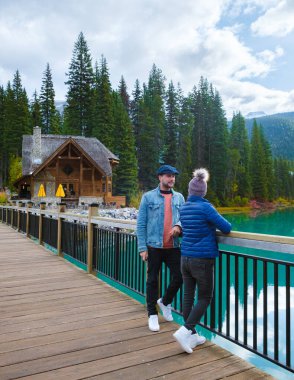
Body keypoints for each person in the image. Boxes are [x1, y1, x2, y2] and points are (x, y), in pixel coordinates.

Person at [173, 168, 232, 353]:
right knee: (205, 297)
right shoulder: (206, 207)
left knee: (188, 296)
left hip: (185, 257)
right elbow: (227, 227)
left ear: (190, 191)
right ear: (203, 191)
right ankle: (185, 331)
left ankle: (190, 334)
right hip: (202, 260)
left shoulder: (184, 207)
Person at [137, 165, 185, 332]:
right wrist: (142, 248)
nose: (171, 179)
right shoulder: (148, 197)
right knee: (152, 281)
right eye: (168, 176)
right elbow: (141, 223)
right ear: (160, 177)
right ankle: (152, 315)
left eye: (173, 176)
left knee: (180, 276)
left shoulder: (179, 197)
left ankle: (164, 301)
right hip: (154, 246)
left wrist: (178, 226)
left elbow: (183, 218)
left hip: (173, 246)